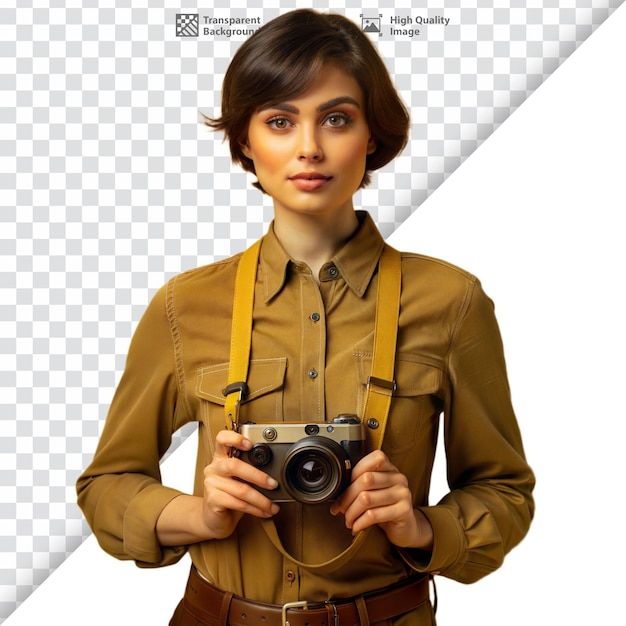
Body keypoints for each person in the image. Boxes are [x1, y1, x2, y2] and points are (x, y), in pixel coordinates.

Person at [77, 9, 535, 625]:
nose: (309, 148)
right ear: (245, 140)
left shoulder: (452, 302)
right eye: (279, 121)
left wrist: (419, 525)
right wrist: (201, 513)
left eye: (337, 119)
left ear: (371, 134)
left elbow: (505, 492)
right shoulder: (184, 307)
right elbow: (106, 482)